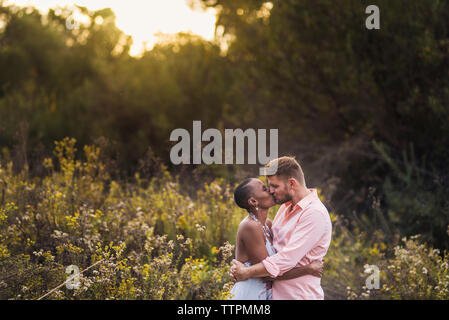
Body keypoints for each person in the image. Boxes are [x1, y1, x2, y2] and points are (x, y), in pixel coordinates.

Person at [230, 156, 332, 300]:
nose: (271, 191)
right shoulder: (284, 208)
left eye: (275, 186)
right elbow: (268, 256)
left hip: (298, 295)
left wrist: (247, 272)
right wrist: (244, 268)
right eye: (268, 186)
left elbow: (285, 260)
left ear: (291, 183)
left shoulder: (314, 213)